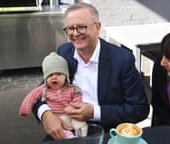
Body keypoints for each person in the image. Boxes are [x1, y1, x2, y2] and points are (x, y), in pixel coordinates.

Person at [32, 3, 150, 141]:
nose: (75, 33)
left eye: (81, 27)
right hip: (67, 127)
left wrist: (94, 112)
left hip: (107, 131)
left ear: (98, 27)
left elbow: (139, 109)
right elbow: (40, 92)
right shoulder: (64, 52)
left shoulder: (122, 60)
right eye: (70, 28)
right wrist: (45, 114)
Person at [19, 52, 88, 138]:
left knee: (80, 124)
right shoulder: (43, 89)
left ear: (66, 77)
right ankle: (70, 138)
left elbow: (77, 98)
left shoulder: (71, 89)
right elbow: (31, 97)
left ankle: (82, 138)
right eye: (50, 75)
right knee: (61, 129)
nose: (54, 77)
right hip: (57, 117)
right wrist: (25, 109)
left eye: (59, 74)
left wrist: (73, 107)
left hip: (71, 115)